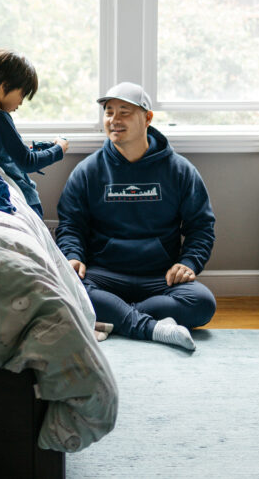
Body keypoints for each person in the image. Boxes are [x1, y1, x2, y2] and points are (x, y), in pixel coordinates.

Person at [56, 82, 216, 351]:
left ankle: (113, 317)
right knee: (65, 289)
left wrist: (189, 262)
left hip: (159, 278)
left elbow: (201, 226)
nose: (114, 120)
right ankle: (153, 328)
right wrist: (73, 256)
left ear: (147, 118)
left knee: (202, 303)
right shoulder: (88, 171)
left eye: (124, 112)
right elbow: (71, 224)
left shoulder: (179, 170)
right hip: (103, 275)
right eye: (108, 112)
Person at [0, 50, 69, 219]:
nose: (21, 102)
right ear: (5, 85)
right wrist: (59, 149)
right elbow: (27, 162)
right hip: (19, 195)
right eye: (22, 95)